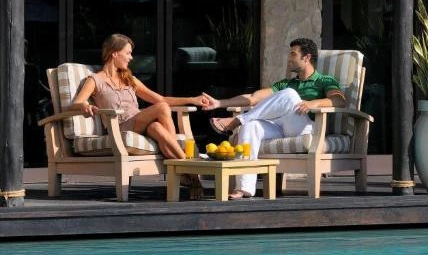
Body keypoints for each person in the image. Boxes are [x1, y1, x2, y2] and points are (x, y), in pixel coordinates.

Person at [203, 38, 346, 199]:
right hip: (281, 128)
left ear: (307, 58)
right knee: (251, 127)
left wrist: (314, 103)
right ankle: (244, 188)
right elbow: (253, 97)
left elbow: (339, 100)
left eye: (293, 54)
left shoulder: (324, 80)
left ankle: (237, 120)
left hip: (307, 128)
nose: (289, 58)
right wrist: (220, 103)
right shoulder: (287, 83)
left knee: (290, 94)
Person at [70, 33, 206, 197]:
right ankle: (191, 173)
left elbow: (161, 98)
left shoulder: (129, 79)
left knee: (157, 127)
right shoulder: (95, 80)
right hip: (119, 126)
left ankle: (184, 174)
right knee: (162, 108)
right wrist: (84, 105)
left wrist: (193, 99)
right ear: (114, 53)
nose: (131, 57)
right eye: (127, 53)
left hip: (138, 122)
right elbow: (77, 102)